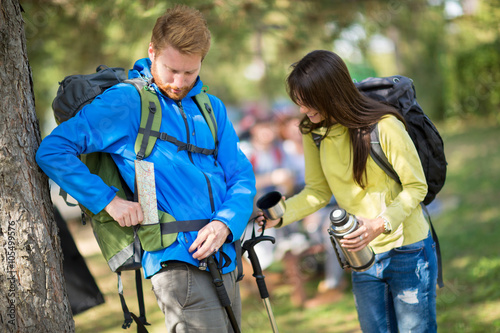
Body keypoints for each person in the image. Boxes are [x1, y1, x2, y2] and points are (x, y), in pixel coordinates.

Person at [36, 5, 256, 332]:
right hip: (176, 265)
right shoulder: (126, 102)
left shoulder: (212, 108)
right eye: (170, 70)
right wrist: (108, 201)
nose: (179, 82)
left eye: (190, 72)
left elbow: (240, 176)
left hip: (225, 254)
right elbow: (53, 150)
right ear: (151, 52)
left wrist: (225, 223)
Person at [257, 50, 438, 332]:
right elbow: (317, 191)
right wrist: (279, 217)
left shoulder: (384, 125)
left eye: (308, 100)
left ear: (331, 92)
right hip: (362, 256)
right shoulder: (313, 132)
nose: (302, 109)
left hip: (408, 249)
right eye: (298, 101)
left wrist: (379, 224)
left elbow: (416, 186)